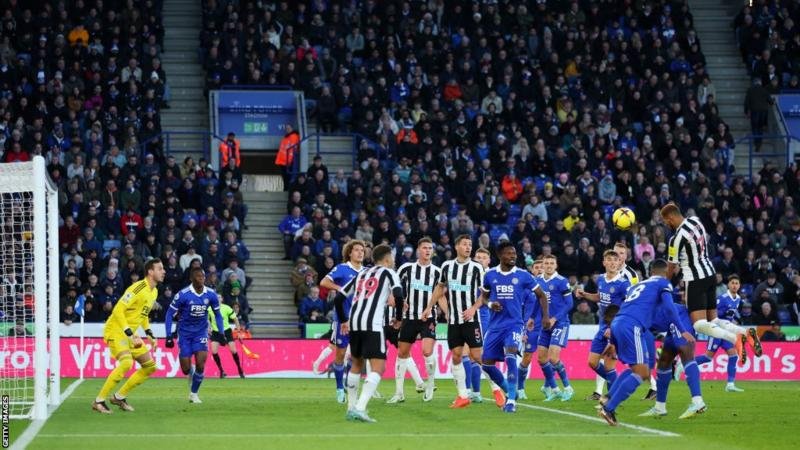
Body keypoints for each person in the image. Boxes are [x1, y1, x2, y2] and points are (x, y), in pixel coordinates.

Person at [598, 259, 694, 426]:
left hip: (618, 323)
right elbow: (670, 308)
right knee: (642, 373)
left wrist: (613, 341)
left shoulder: (638, 285)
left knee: (637, 369)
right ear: (666, 271)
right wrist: (682, 329)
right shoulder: (663, 283)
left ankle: (608, 398)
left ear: (651, 271)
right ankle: (609, 408)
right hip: (633, 326)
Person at [660, 203, 757, 363]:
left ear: (670, 217)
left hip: (695, 279)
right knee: (714, 320)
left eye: (666, 221)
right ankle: (746, 332)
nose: (666, 225)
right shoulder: (696, 221)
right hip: (710, 274)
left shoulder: (676, 239)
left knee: (699, 324)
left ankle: (736, 339)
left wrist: (664, 283)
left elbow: (671, 266)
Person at [469, 242, 548, 413]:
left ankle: (511, 400)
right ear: (500, 256)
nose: (513, 256)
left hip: (514, 324)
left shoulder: (523, 275)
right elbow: (484, 297)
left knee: (511, 353)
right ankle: (509, 389)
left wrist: (545, 317)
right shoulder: (490, 275)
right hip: (495, 326)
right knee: (486, 365)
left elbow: (541, 295)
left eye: (514, 253)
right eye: (508, 253)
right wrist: (491, 304)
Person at [334, 244, 404, 423]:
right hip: (372, 324)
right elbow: (398, 294)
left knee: (356, 364)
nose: (393, 260)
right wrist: (398, 318)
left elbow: (339, 298)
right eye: (392, 257)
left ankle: (351, 408)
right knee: (378, 367)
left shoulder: (361, 274)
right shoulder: (389, 273)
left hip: (355, 322)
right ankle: (360, 408)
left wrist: (344, 320)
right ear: (387, 258)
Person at [92, 258, 165, 413]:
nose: (163, 271)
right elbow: (117, 310)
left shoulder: (154, 291)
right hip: (116, 329)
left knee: (150, 367)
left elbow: (143, 314)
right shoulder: (137, 288)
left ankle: (119, 397)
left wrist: (150, 334)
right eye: (159, 268)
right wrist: (129, 333)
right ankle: (98, 401)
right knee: (126, 363)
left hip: (131, 333)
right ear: (150, 272)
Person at [422, 234, 485, 408]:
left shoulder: (477, 268)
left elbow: (485, 293)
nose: (468, 247)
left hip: (471, 319)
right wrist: (429, 307)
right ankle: (463, 395)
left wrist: (473, 308)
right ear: (457, 246)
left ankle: (497, 388)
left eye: (470, 244)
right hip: (454, 321)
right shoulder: (447, 266)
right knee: (456, 356)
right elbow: (440, 288)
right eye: (465, 244)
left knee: (477, 356)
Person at [388, 238, 441, 404]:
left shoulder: (437, 272)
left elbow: (441, 295)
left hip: (428, 317)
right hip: (409, 317)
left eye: (430, 248)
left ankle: (430, 384)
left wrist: (446, 312)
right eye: (425, 248)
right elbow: (394, 290)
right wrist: (400, 302)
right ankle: (399, 393)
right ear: (418, 250)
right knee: (402, 353)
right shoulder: (406, 268)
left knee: (427, 351)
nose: (427, 250)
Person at [163, 267, 227, 403]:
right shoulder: (182, 295)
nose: (201, 279)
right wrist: (168, 335)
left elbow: (217, 315)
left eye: (203, 276)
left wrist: (221, 333)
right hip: (184, 334)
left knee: (201, 365)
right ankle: (190, 373)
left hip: (201, 332)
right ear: (191, 279)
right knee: (186, 370)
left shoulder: (211, 294)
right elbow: (169, 314)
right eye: (198, 276)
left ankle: (194, 394)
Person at [639, 293, 705, 419]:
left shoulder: (635, 313)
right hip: (671, 324)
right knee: (664, 361)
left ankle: (698, 402)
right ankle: (660, 407)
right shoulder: (638, 311)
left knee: (686, 353)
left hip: (678, 317)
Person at [313, 240, 365, 403]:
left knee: (356, 356)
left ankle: (349, 383)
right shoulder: (342, 268)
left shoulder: (366, 272)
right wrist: (340, 289)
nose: (360, 253)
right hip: (343, 319)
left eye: (362, 250)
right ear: (350, 253)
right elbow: (323, 282)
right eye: (356, 250)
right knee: (340, 354)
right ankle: (339, 389)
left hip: (360, 319)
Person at [575, 250, 630, 400]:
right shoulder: (600, 279)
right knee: (592, 362)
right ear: (604, 262)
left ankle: (611, 400)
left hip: (615, 329)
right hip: (602, 327)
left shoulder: (623, 284)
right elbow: (600, 297)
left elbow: (628, 307)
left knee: (609, 365)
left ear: (619, 263)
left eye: (615, 260)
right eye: (609, 260)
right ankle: (617, 385)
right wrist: (585, 294)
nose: (612, 263)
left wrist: (613, 328)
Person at [694, 275, 757, 392]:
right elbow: (711, 315)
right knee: (707, 358)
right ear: (728, 285)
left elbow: (729, 316)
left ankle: (730, 385)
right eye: (732, 283)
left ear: (739, 286)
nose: (734, 285)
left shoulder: (738, 299)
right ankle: (684, 364)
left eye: (736, 283)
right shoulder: (722, 299)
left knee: (733, 356)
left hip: (726, 332)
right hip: (716, 331)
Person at [468, 247, 506, 404]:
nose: (480, 260)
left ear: (489, 260)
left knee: (480, 356)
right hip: (469, 317)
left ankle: (497, 388)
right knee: (472, 356)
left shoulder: (492, 276)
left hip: (484, 318)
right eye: (478, 257)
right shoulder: (470, 273)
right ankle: (475, 392)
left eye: (483, 258)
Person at [536, 254, 574, 401]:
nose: (549, 265)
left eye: (552, 263)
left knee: (553, 357)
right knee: (541, 358)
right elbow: (536, 302)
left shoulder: (562, 281)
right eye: (546, 263)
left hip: (560, 323)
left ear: (556, 265)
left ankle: (568, 388)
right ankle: (554, 389)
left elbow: (569, 304)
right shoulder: (538, 281)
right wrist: (532, 318)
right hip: (545, 324)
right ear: (543, 265)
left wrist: (554, 318)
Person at [208, 299, 245, 379]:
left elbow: (235, 319)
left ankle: (240, 369)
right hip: (216, 332)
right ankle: (221, 371)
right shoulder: (210, 308)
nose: (217, 299)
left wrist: (238, 332)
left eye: (219, 297)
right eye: (216, 297)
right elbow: (206, 319)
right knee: (214, 351)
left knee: (233, 351)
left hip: (226, 331)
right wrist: (208, 327)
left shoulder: (226, 308)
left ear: (221, 299)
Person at [276, 124, 300, 190]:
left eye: (289, 128)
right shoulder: (285, 137)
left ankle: (288, 189)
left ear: (292, 128)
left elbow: (293, 149)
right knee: (285, 177)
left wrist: (290, 161)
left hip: (289, 162)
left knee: (289, 177)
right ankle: (286, 189)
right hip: (282, 162)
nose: (287, 129)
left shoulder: (295, 136)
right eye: (286, 128)